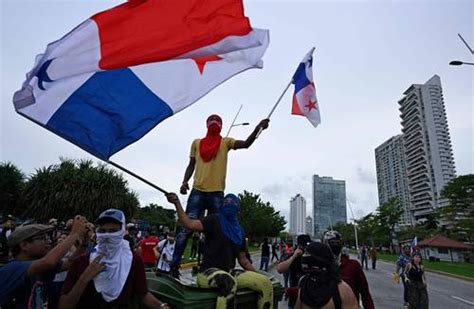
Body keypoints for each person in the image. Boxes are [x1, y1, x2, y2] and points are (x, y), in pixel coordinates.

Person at [171, 114, 270, 276]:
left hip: (216, 194)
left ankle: (208, 267)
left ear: (221, 126)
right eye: (211, 120)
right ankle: (173, 267)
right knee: (185, 229)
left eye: (217, 121)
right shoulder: (196, 143)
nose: (214, 122)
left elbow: (245, 144)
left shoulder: (226, 142)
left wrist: (258, 128)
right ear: (206, 124)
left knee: (216, 231)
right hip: (197, 191)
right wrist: (184, 182)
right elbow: (191, 165)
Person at [166, 192, 273, 309]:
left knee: (265, 283)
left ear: (238, 208)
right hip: (207, 272)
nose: (229, 205)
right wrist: (177, 203)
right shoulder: (214, 219)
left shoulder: (239, 231)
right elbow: (189, 224)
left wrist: (259, 275)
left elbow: (244, 260)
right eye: (226, 202)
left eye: (233, 203)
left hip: (229, 272)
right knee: (228, 283)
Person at [59, 209, 169, 309]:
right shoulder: (82, 262)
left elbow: (142, 293)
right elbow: (64, 305)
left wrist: (161, 306)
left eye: (112, 231)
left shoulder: (133, 261)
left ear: (122, 231)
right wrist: (84, 279)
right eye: (102, 231)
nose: (107, 235)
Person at [0, 216, 88, 308]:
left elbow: (70, 263)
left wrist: (84, 242)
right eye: (42, 238)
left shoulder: (41, 269)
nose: (48, 241)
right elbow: (49, 262)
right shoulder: (12, 268)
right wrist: (74, 234)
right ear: (24, 245)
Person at [294, 242, 358, 309]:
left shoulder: (342, 289)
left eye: (307, 253)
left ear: (318, 258)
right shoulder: (304, 283)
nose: (303, 256)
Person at [322, 231, 374, 309]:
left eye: (338, 242)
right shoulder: (319, 266)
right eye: (332, 242)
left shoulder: (353, 266)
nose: (335, 244)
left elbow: (365, 294)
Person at [276, 234, 311, 308]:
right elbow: (279, 269)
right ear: (299, 246)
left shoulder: (313, 256)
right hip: (295, 298)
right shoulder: (294, 256)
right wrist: (294, 256)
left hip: (310, 298)